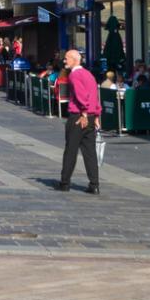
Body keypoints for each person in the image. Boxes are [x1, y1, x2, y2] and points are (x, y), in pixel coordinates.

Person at [56, 49, 101, 194]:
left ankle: (65, 182)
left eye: (67, 58)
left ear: (75, 59)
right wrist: (96, 115)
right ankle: (94, 184)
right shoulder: (89, 74)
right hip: (91, 115)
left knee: (71, 150)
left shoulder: (74, 75)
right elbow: (95, 95)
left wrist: (84, 113)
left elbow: (82, 96)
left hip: (79, 116)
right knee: (90, 152)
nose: (64, 61)